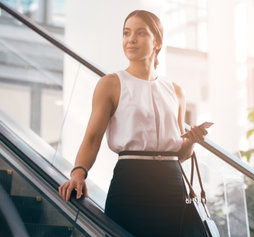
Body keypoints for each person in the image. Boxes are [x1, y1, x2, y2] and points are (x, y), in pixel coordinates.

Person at [58, 10, 211, 236]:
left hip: (170, 185)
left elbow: (181, 153)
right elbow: (92, 138)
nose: (131, 39)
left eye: (141, 33)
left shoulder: (176, 91)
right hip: (131, 182)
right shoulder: (110, 84)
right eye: (126, 33)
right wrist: (78, 173)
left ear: (157, 42)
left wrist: (192, 141)